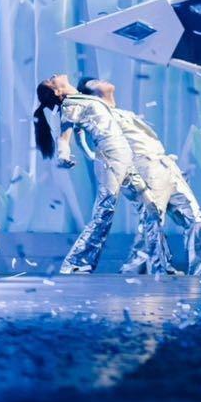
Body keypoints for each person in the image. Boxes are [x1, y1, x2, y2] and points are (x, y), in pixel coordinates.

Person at [34, 74, 165, 276]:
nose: (53, 76)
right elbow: (65, 135)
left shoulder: (83, 99)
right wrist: (63, 155)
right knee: (104, 212)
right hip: (111, 158)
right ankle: (75, 263)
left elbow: (80, 135)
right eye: (51, 81)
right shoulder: (70, 104)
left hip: (123, 158)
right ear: (58, 91)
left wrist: (89, 154)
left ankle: (158, 265)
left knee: (151, 209)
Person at [79, 77, 201, 275]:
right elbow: (86, 137)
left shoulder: (123, 113)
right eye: (94, 82)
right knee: (153, 217)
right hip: (143, 166)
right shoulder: (98, 115)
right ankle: (148, 268)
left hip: (164, 164)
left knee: (195, 217)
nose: (101, 80)